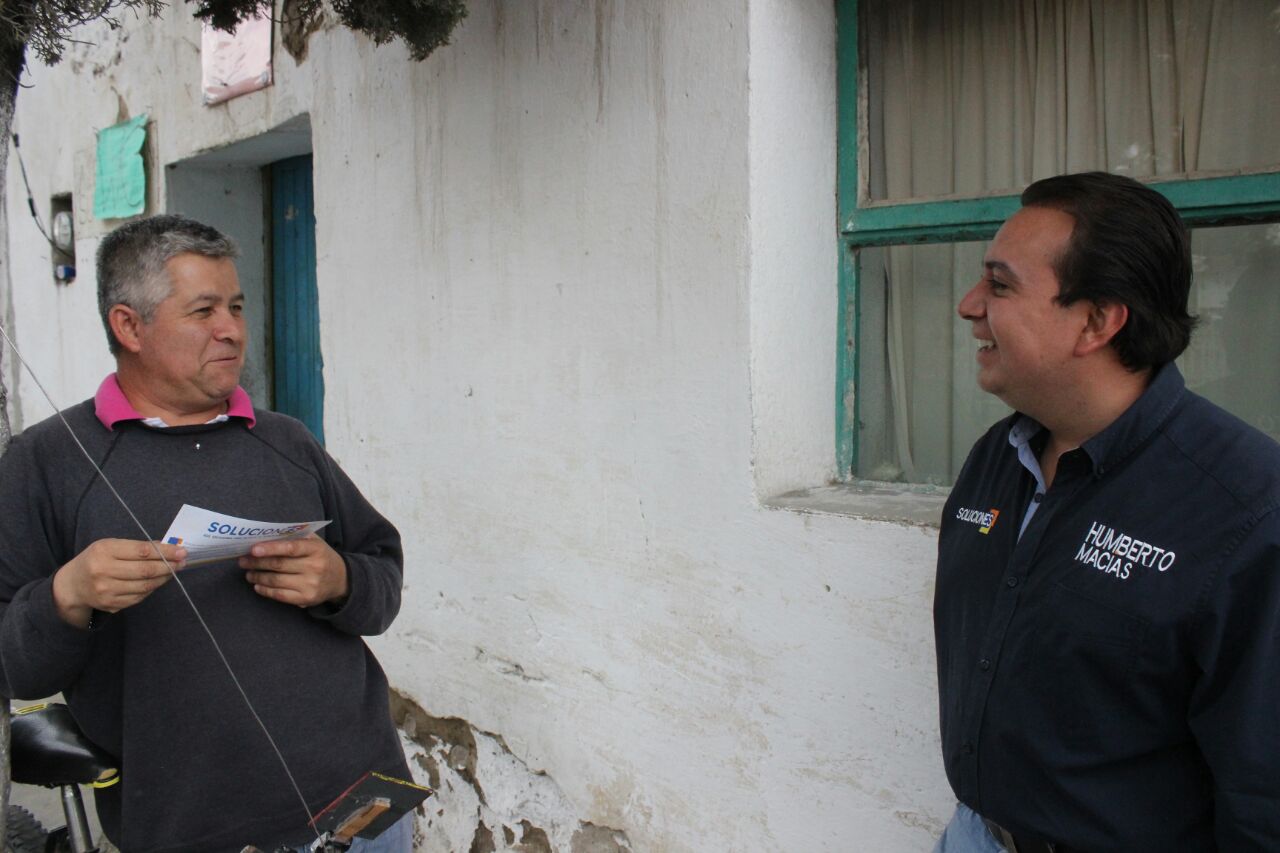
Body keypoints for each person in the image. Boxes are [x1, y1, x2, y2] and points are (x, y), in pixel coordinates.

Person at [0, 215, 413, 853]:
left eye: (237, 307)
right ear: (128, 326)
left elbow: (381, 577)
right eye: (203, 310)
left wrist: (341, 580)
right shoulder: (47, 463)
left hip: (364, 803)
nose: (231, 329)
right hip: (194, 828)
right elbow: (14, 665)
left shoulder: (286, 441)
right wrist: (67, 595)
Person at [932, 172, 1280, 852]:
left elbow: (1263, 795)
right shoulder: (996, 458)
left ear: (1098, 320)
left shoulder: (1245, 511)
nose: (969, 305)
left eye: (1000, 285)